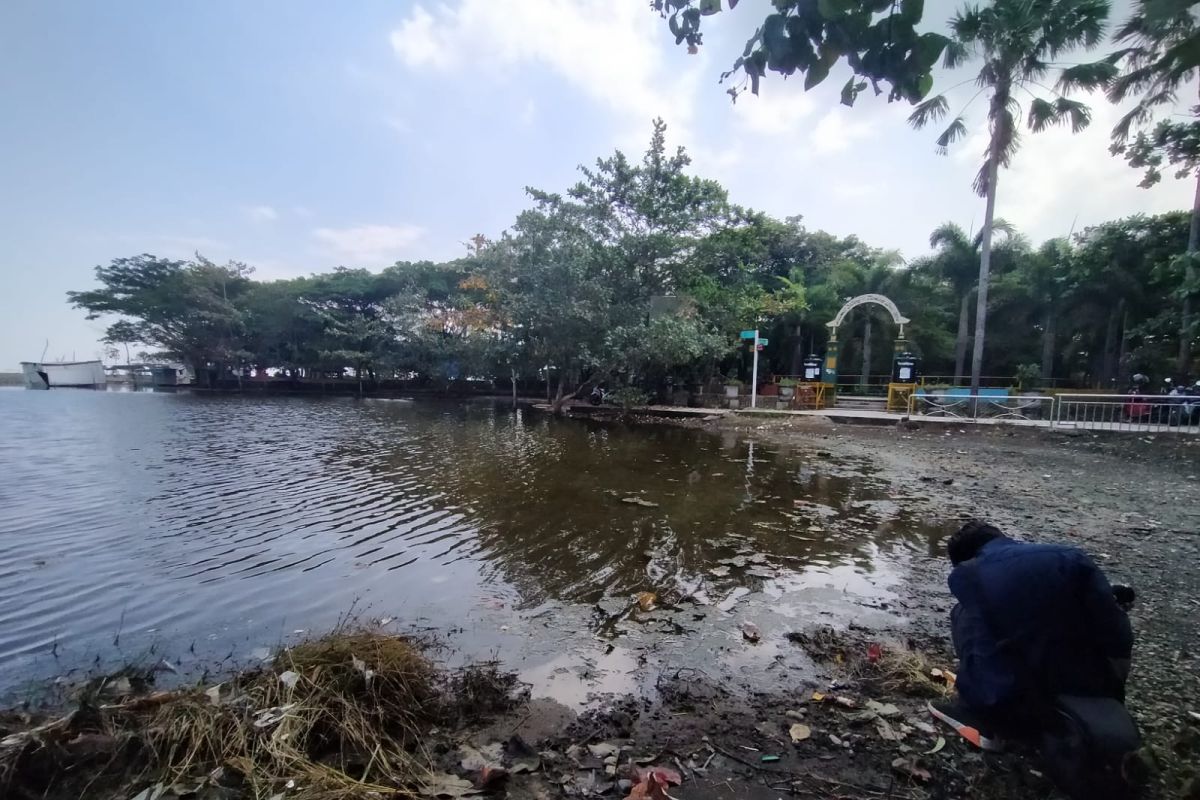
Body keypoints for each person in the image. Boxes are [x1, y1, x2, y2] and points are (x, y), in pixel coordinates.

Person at [929, 521, 1133, 752]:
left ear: (964, 559)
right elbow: (1114, 624)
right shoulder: (1068, 556)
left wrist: (978, 697)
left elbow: (981, 645)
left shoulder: (968, 575)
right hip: (1096, 678)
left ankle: (989, 729)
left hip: (1023, 693)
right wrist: (1115, 681)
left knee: (963, 613)